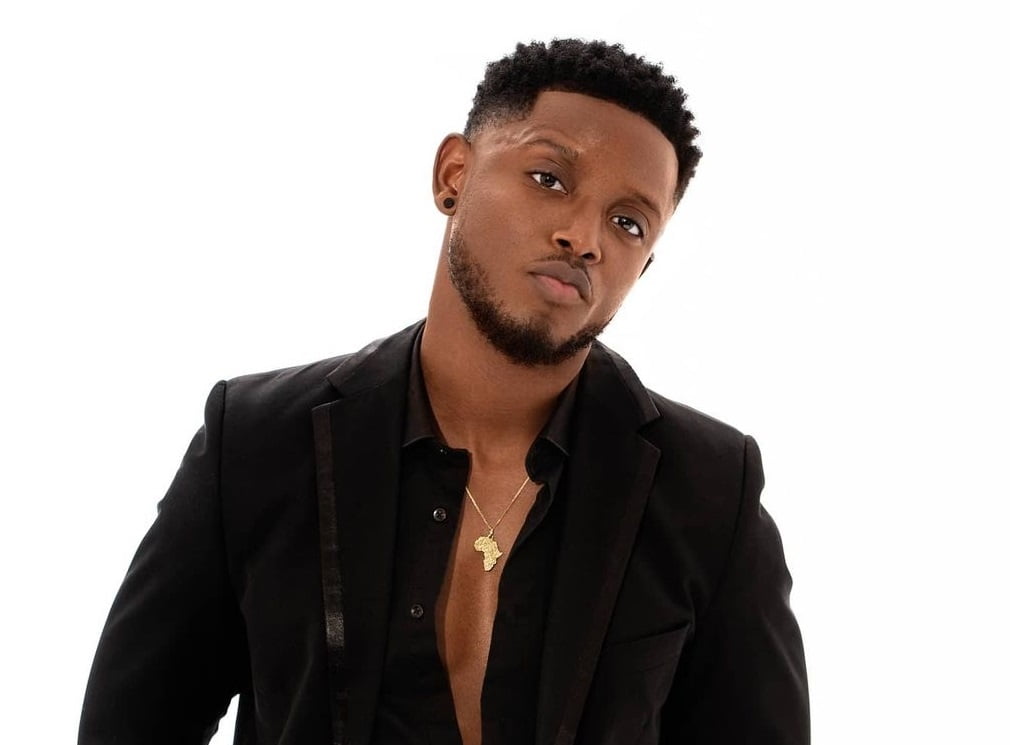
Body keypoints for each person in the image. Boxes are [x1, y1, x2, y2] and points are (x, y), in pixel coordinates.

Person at [79, 39, 809, 745]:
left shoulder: (710, 491)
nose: (584, 237)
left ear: (643, 264)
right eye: (550, 179)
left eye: (628, 222)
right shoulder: (256, 442)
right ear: (453, 174)